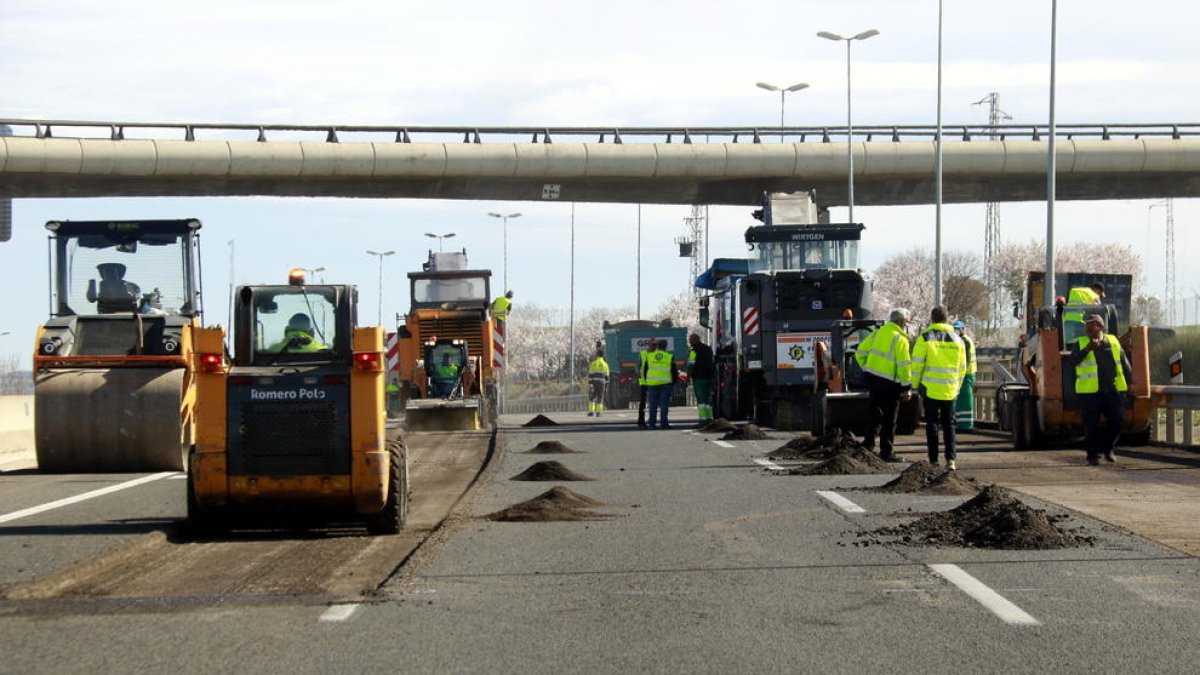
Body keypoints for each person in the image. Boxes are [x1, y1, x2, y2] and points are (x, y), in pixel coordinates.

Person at [1070, 313, 1133, 465]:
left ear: (1100, 327)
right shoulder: (1081, 343)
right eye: (1086, 328)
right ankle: (1093, 456)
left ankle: (1108, 448)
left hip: (1112, 391)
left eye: (1091, 328)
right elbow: (1072, 361)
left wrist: (1130, 382)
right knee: (1091, 425)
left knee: (1118, 420)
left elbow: (1123, 363)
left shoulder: (1113, 341)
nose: (1088, 331)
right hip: (1090, 394)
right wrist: (1087, 350)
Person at [912, 306, 967, 470]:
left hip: (930, 388)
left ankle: (933, 460)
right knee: (950, 425)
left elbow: (917, 364)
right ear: (947, 318)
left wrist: (915, 385)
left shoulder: (926, 337)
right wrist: (957, 386)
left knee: (932, 425)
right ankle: (951, 460)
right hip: (950, 389)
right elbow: (963, 367)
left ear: (932, 318)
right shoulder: (958, 339)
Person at [854, 308, 912, 462]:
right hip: (890, 385)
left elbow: (859, 352)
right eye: (907, 321)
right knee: (889, 419)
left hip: (873, 380)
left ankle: (868, 447)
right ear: (901, 322)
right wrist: (906, 387)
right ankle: (886, 452)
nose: (907, 324)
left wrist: (867, 368)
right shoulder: (900, 339)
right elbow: (904, 365)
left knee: (875, 415)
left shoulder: (877, 333)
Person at [642, 339, 679, 429]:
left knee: (653, 405)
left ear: (658, 346)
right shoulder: (669, 356)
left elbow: (645, 370)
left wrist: (647, 381)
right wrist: (674, 381)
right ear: (666, 346)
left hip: (652, 383)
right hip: (665, 383)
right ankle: (664, 423)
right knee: (664, 404)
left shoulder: (650, 356)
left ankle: (652, 424)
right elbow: (674, 371)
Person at [953, 320, 977, 431]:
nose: (956, 331)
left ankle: (966, 426)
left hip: (966, 374)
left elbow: (965, 360)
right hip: (966, 374)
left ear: (963, 329)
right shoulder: (962, 340)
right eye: (955, 329)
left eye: (958, 329)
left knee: (965, 400)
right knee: (962, 400)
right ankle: (962, 424)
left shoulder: (965, 341)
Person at [687, 333, 715, 425]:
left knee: (701, 399)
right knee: (707, 399)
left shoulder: (693, 351)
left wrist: (688, 377)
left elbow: (691, 365)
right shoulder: (708, 349)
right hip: (708, 377)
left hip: (698, 378)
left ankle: (703, 419)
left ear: (694, 340)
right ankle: (709, 418)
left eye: (690, 340)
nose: (690, 342)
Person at [587, 349, 610, 417]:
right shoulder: (605, 364)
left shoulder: (593, 363)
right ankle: (598, 412)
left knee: (592, 397)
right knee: (600, 397)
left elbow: (590, 375)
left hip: (594, 383)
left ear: (597, 355)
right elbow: (607, 376)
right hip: (602, 383)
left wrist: (591, 385)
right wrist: (606, 385)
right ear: (603, 355)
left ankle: (591, 412)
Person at [636, 340, 652, 428]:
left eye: (655, 345)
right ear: (648, 345)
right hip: (644, 382)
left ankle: (651, 420)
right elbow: (637, 365)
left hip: (654, 381)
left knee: (652, 402)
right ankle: (641, 420)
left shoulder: (656, 355)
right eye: (651, 345)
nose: (653, 346)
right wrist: (638, 373)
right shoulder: (642, 354)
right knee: (643, 402)